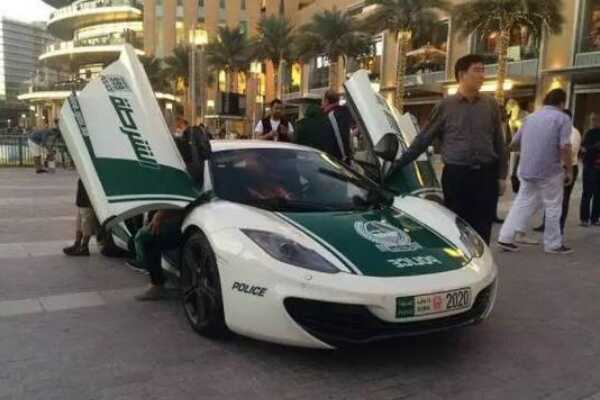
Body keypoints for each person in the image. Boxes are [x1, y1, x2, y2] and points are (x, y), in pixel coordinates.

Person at [391, 54, 508, 244]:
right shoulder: (445, 106)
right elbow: (423, 139)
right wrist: (397, 164)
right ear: (462, 74)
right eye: (477, 70)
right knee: (456, 226)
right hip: (457, 176)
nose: (482, 75)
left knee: (483, 226)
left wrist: (502, 175)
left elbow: (499, 142)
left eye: (483, 70)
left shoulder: (490, 104)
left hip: (486, 175)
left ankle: (482, 260)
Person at [134, 116, 210, 301]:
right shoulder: (202, 164)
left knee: (146, 239)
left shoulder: (190, 170)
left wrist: (160, 215)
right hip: (192, 220)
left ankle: (157, 284)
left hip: (190, 223)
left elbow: (182, 198)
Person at [498, 89, 573, 255]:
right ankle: (553, 244)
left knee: (521, 203)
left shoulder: (530, 118)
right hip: (550, 171)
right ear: (562, 103)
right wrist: (569, 170)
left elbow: (514, 143)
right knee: (553, 206)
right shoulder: (562, 118)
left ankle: (505, 237)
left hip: (526, 169)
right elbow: (565, 146)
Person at [534, 109, 581, 234]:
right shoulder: (560, 131)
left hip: (567, 167)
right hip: (555, 167)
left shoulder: (573, 132)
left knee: (563, 199)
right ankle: (546, 224)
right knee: (550, 197)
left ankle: (559, 227)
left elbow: (571, 152)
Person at [63, 179, 98, 256]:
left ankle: (84, 247)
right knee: (79, 223)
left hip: (87, 200)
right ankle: (77, 244)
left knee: (86, 223)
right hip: (81, 200)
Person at [320, 89, 353, 163]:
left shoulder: (332, 116)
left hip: (335, 159)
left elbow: (338, 138)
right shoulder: (343, 112)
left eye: (322, 100)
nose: (321, 103)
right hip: (342, 158)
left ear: (327, 101)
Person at [579, 112, 600, 226]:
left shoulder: (591, 133)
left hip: (596, 167)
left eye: (595, 119)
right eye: (592, 119)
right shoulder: (589, 133)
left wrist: (590, 149)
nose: (593, 122)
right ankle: (584, 219)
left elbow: (586, 149)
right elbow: (583, 149)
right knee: (587, 193)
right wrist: (594, 147)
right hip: (590, 167)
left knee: (598, 195)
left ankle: (594, 218)